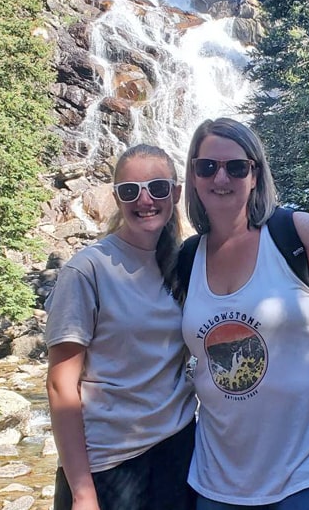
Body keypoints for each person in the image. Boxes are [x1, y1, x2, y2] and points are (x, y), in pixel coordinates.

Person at [179, 118, 309, 510]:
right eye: (208, 167)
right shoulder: (187, 257)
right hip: (217, 479)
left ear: (255, 174)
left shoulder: (298, 234)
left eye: (236, 167)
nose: (222, 177)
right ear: (193, 176)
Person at [44, 144, 197, 510]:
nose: (145, 199)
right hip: (109, 462)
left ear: (176, 194)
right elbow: (60, 384)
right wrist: (82, 492)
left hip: (178, 449)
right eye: (131, 191)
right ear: (116, 197)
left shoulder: (186, 264)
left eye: (158, 188)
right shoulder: (88, 270)